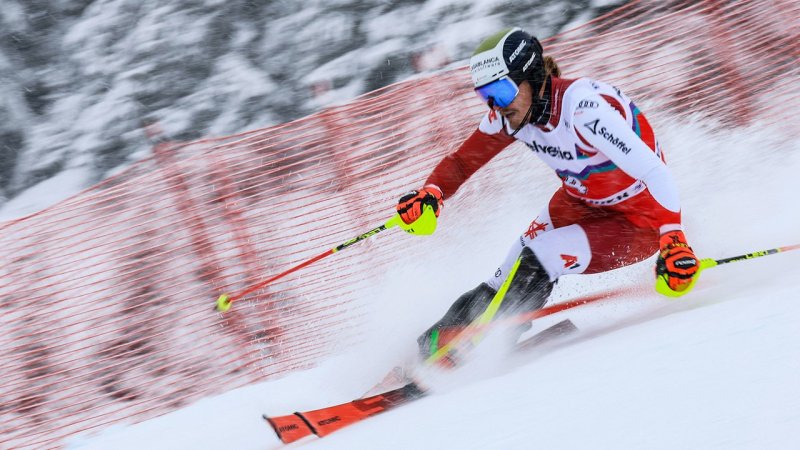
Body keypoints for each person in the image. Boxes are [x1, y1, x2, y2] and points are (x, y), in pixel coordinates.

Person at [395, 27, 699, 361]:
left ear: (533, 77)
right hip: (581, 201)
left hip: (637, 222)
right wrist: (431, 193)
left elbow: (655, 171)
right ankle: (428, 349)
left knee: (540, 255)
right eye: (486, 96)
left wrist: (673, 238)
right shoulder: (514, 113)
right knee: (508, 270)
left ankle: (488, 347)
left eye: (501, 90)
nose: (496, 106)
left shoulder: (582, 110)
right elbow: (461, 162)